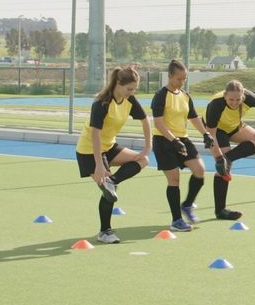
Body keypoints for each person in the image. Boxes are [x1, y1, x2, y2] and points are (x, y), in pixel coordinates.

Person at [75, 65, 151, 244]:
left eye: (134, 89)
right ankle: (105, 232)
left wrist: (148, 145)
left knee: (143, 160)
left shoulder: (129, 100)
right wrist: (99, 165)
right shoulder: (101, 103)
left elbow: (145, 119)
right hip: (89, 150)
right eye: (129, 89)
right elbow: (94, 134)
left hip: (109, 147)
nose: (132, 93)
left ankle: (112, 181)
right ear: (118, 83)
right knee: (110, 193)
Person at [150, 59, 215, 232]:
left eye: (184, 79)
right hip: (164, 141)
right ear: (170, 76)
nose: (181, 82)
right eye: (179, 79)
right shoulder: (160, 95)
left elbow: (193, 117)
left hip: (182, 139)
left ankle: (186, 205)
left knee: (199, 170)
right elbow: (158, 123)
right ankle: (176, 220)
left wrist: (206, 133)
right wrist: (173, 140)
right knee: (174, 179)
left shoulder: (185, 95)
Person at [204, 79, 255, 221]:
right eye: (231, 99)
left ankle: (228, 158)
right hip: (216, 130)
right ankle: (220, 211)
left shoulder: (249, 98)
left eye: (238, 99)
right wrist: (219, 158)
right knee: (224, 169)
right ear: (225, 95)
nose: (234, 102)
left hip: (234, 126)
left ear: (243, 96)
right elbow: (210, 135)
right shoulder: (216, 104)